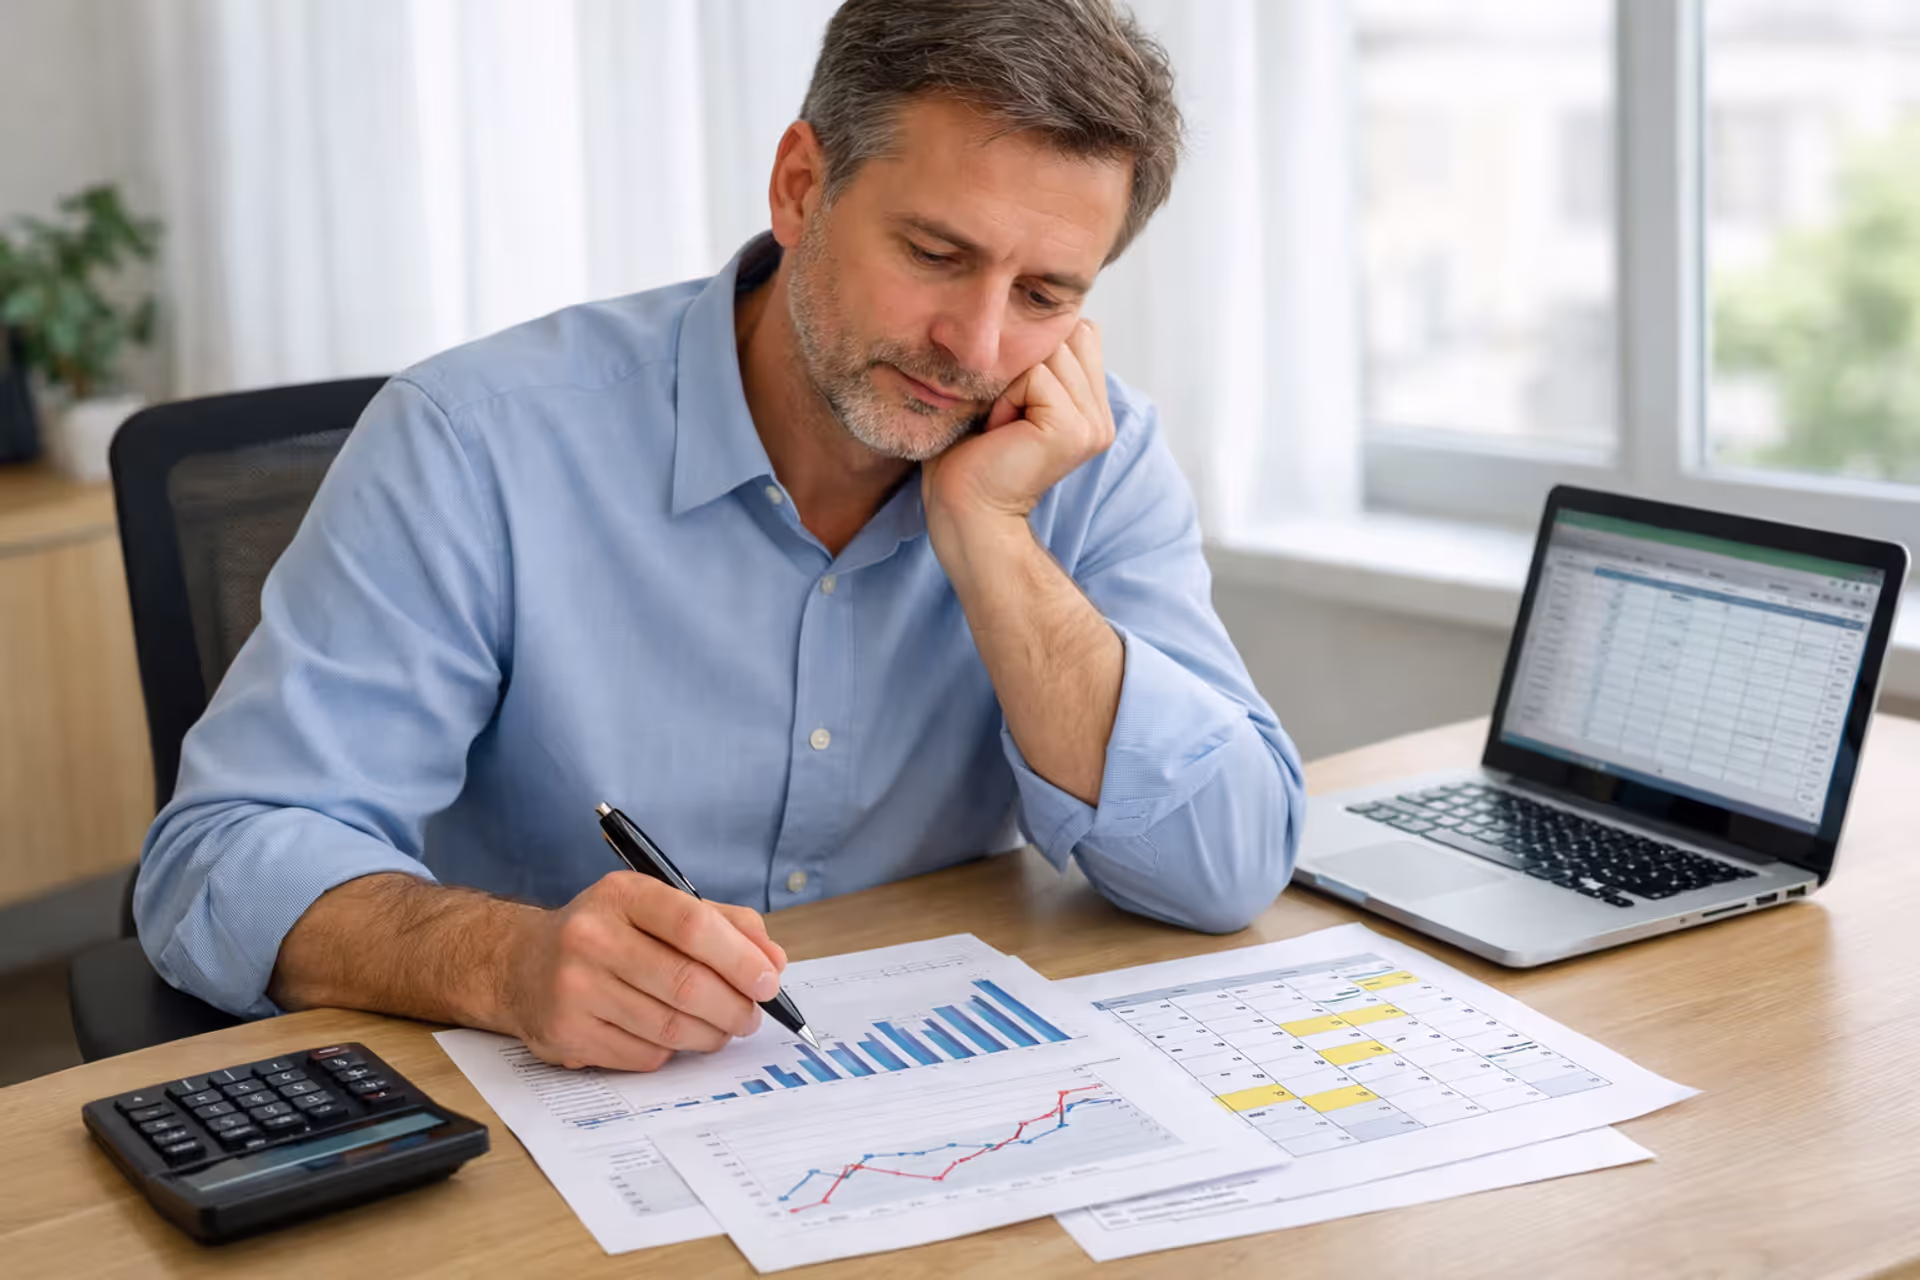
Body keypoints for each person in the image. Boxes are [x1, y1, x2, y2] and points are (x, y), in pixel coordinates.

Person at [137, 0, 1304, 1072]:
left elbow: (1226, 862)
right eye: (936, 255)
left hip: (915, 1105)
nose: (977, 344)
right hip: (543, 1119)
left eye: (1045, 293)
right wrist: (505, 959)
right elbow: (217, 859)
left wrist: (992, 533)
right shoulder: (475, 442)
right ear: (801, 185)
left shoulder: (1086, 454)